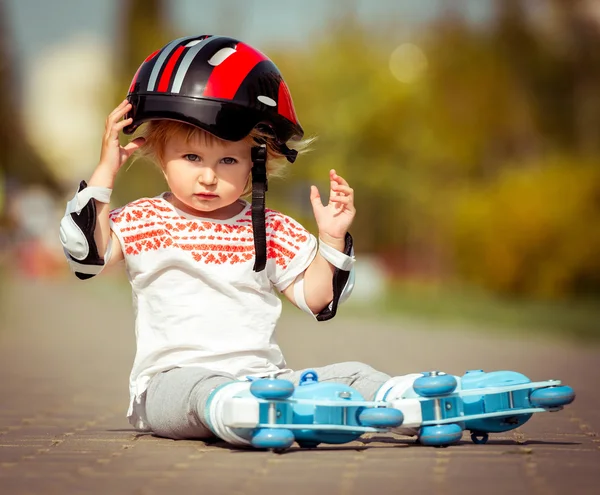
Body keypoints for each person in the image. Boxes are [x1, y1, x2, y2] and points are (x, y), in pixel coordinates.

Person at [59, 35, 421, 446]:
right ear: (161, 158)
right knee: (200, 390)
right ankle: (246, 411)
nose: (209, 176)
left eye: (228, 160)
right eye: (192, 158)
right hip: (171, 387)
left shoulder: (267, 227)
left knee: (353, 373)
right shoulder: (146, 219)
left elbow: (319, 299)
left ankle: (405, 401)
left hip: (265, 384)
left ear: (256, 165)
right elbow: (86, 255)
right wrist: (106, 169)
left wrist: (332, 238)